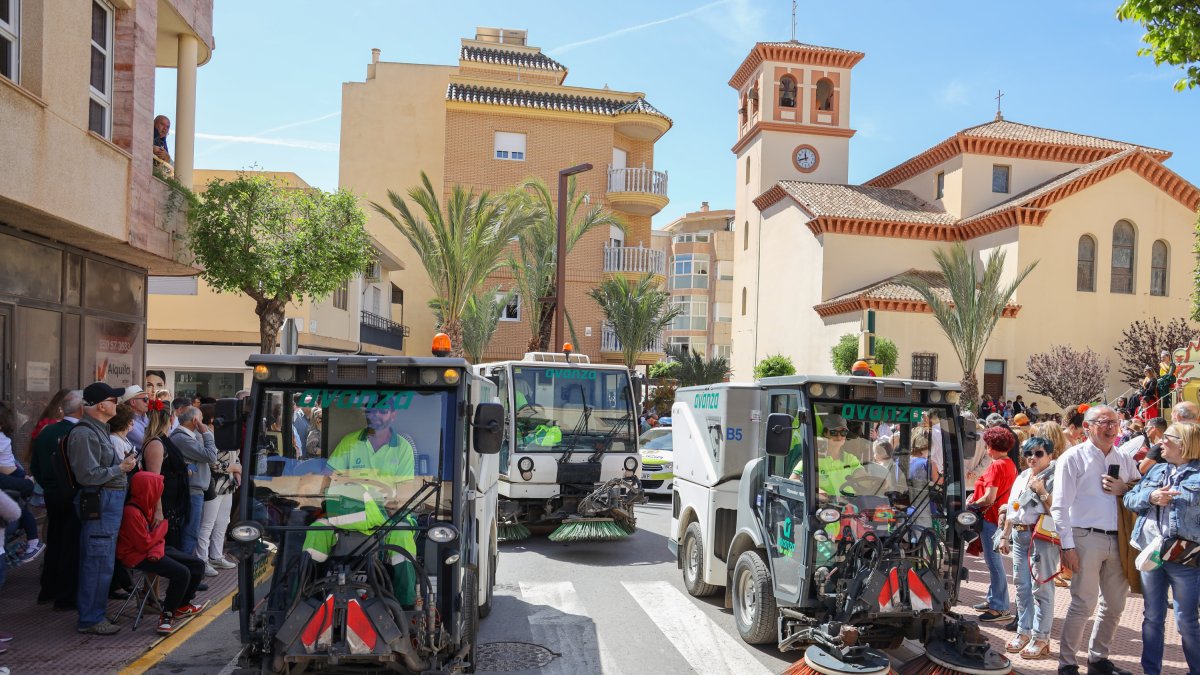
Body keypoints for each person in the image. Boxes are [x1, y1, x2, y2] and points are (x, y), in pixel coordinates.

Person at [1050, 405, 1140, 675]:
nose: (1111, 427)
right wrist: (1067, 546)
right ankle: (1067, 663)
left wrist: (1124, 489)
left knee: (1114, 605)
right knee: (1083, 603)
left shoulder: (1124, 457)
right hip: (1084, 538)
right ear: (1088, 426)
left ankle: (1098, 659)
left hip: (1119, 540)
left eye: (1115, 422)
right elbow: (1059, 506)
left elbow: (1140, 490)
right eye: (1104, 422)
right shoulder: (1073, 458)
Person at [302, 404, 420, 606]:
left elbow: (402, 497)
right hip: (348, 514)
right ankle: (304, 600)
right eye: (372, 410)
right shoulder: (350, 442)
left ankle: (406, 607)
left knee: (402, 536)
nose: (375, 415)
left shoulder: (403, 448)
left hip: (387, 518)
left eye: (383, 411)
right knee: (317, 530)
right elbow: (328, 479)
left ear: (393, 414)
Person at [1124, 422, 1200, 675]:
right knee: (1152, 617)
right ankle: (1150, 671)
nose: (1159, 443)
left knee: (1186, 621)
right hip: (1152, 554)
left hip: (1185, 559)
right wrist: (1151, 497)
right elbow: (1130, 499)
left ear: (1183, 443)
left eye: (1166, 438)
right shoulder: (1157, 472)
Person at [68, 382, 138, 635]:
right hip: (100, 501)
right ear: (101, 405)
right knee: (97, 561)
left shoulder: (97, 430)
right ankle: (90, 618)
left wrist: (120, 466)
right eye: (114, 400)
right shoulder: (85, 433)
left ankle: (95, 613)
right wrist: (120, 469)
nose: (117, 404)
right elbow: (88, 475)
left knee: (103, 560)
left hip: (106, 501)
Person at [117, 471, 206, 635]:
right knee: (181, 572)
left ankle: (182, 605)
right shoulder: (132, 512)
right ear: (148, 489)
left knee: (198, 565)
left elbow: (152, 539)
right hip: (135, 555)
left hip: (151, 547)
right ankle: (167, 615)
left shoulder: (146, 505)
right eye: (157, 489)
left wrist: (157, 536)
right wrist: (162, 527)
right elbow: (144, 544)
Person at [998, 436, 1060, 660]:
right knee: (1021, 585)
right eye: (1028, 454)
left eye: (1038, 453)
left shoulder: (1055, 476)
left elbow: (1058, 510)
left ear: (1050, 455)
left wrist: (1042, 491)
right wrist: (1004, 535)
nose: (1032, 458)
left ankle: (1041, 637)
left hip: (1041, 534)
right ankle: (1024, 631)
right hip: (1019, 533)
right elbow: (1013, 508)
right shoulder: (1023, 475)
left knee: (1041, 587)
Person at [30, 390, 83, 609]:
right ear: (80, 409)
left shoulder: (46, 432)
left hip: (52, 493)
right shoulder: (77, 433)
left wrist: (49, 485)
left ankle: (47, 589)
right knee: (71, 545)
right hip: (72, 494)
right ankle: (65, 596)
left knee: (54, 540)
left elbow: (35, 467)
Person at [966, 426, 1018, 623]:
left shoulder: (997, 466)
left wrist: (972, 504)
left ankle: (1000, 606)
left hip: (991, 518)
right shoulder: (1009, 464)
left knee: (993, 563)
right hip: (998, 517)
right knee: (993, 562)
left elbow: (990, 497)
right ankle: (993, 599)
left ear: (991, 446)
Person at [195, 403, 240, 574]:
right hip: (213, 485)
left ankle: (216, 556)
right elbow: (212, 463)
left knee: (222, 523)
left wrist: (237, 469)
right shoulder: (205, 435)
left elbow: (235, 457)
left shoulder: (223, 434)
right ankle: (202, 559)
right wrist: (234, 469)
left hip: (227, 485)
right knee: (207, 524)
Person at [168, 406, 217, 557]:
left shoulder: (188, 436)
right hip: (191, 491)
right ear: (195, 420)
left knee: (191, 531)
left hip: (195, 490)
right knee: (190, 533)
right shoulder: (182, 438)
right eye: (201, 420)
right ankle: (186, 572)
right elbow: (211, 456)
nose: (203, 423)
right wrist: (205, 432)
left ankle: (186, 570)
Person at [0, 401, 43, 563]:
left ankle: (33, 540)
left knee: (22, 509)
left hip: (13, 474)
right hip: (11, 473)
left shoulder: (1, 439)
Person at [119, 385, 151, 449]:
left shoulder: (144, 418)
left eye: (148, 399)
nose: (148, 402)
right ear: (133, 402)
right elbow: (148, 443)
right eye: (145, 399)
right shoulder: (128, 423)